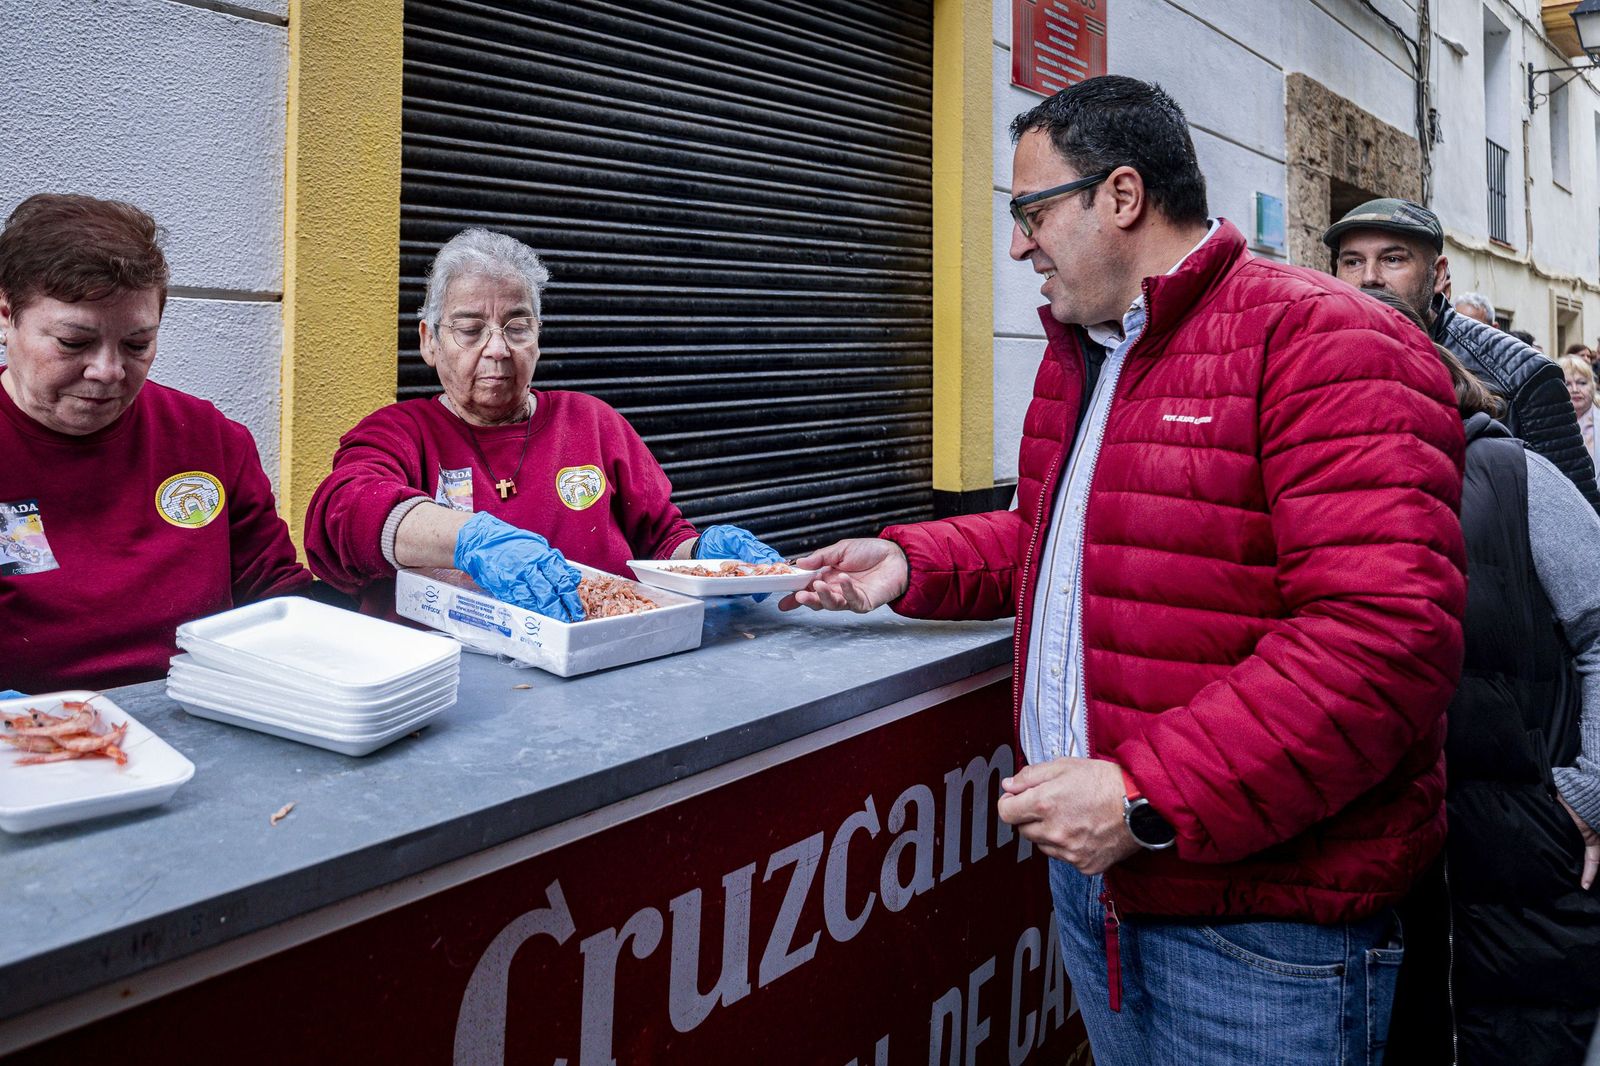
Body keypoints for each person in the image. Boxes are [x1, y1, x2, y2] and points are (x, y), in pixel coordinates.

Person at [783, 75, 1466, 1063]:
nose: (1019, 242)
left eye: (1030, 210)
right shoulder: (1089, 354)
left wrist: (1146, 795)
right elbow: (1059, 546)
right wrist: (906, 561)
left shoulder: (1326, 341)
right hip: (1103, 892)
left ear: (1121, 196)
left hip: (1262, 927)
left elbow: (1382, 639)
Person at [1360, 288, 1600, 1064]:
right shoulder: (1332, 490)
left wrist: (1589, 791)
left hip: (1523, 849)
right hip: (1388, 864)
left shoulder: (1513, 473)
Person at [305, 228, 779, 620]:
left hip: (603, 665)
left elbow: (661, 542)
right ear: (429, 341)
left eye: (517, 327)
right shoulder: (399, 433)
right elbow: (340, 516)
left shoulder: (592, 423)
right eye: (470, 329)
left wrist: (708, 558)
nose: (497, 349)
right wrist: (469, 540)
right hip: (447, 692)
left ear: (538, 337)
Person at [0, 193, 310, 692]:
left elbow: (278, 599)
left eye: (137, 344)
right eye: (73, 342)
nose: (108, 371)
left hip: (204, 721)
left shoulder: (208, 439)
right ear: (5, 315)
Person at [1324, 199, 1600, 511]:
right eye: (1352, 262)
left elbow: (1577, 523)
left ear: (1439, 274)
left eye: (1393, 259)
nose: (1369, 277)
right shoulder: (1317, 365)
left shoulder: (1522, 376)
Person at [1560, 353, 1598, 475]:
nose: (1575, 389)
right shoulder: (1546, 425)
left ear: (1593, 386)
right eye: (1567, 384)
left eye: (1582, 383)